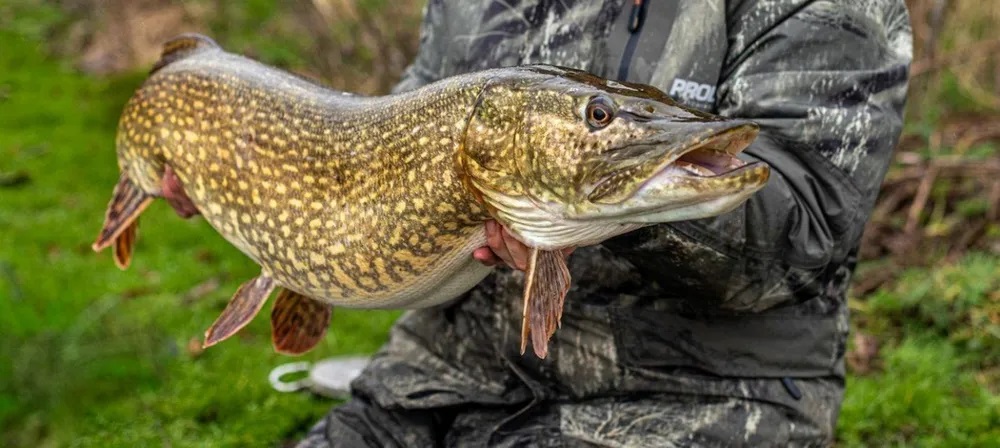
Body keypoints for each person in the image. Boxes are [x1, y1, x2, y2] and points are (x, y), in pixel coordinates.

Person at [297, 1, 913, 446]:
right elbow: (387, 135)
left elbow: (804, 230)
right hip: (437, 378)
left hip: (689, 402)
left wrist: (606, 207)